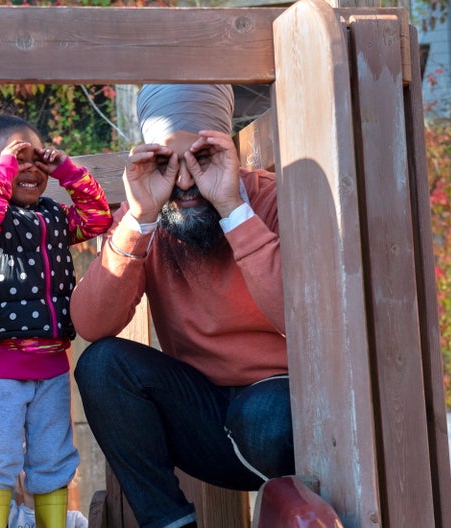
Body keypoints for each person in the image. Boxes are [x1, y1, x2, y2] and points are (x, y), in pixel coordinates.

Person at [71, 84, 295, 528]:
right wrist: (138, 220)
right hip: (202, 421)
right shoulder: (146, 214)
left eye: (202, 157)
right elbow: (91, 324)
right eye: (166, 163)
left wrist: (232, 207)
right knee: (102, 364)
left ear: (226, 151)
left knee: (264, 417)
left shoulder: (269, 198)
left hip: (281, 413)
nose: (187, 182)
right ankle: (170, 524)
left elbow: (299, 315)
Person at [0, 104, 113, 528]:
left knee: (53, 454)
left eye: (36, 158)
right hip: (1, 366)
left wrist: (68, 172)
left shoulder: (54, 217)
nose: (28, 168)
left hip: (53, 364)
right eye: (14, 159)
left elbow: (98, 216)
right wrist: (4, 171)